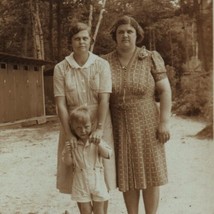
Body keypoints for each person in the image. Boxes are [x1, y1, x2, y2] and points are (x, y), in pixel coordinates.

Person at [103, 15, 172, 214]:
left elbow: (165, 91)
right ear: (114, 36)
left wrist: (164, 122)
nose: (125, 35)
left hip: (147, 124)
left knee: (150, 173)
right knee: (128, 174)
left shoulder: (150, 57)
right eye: (120, 32)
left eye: (129, 32)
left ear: (137, 35)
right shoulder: (104, 62)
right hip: (119, 126)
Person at [53, 22, 116, 214]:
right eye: (77, 38)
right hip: (73, 127)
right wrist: (69, 134)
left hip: (99, 124)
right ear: (70, 42)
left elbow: (104, 99)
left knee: (102, 175)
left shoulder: (101, 65)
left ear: (91, 40)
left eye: (85, 38)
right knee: (78, 173)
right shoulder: (61, 68)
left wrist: (98, 128)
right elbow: (61, 105)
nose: (81, 42)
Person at [62, 105, 112, 214]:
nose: (83, 130)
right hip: (81, 182)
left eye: (86, 126)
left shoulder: (96, 140)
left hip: (97, 180)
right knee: (85, 211)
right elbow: (68, 162)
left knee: (100, 211)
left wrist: (99, 145)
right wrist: (67, 152)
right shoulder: (72, 144)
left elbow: (108, 154)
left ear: (92, 125)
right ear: (73, 128)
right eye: (78, 128)